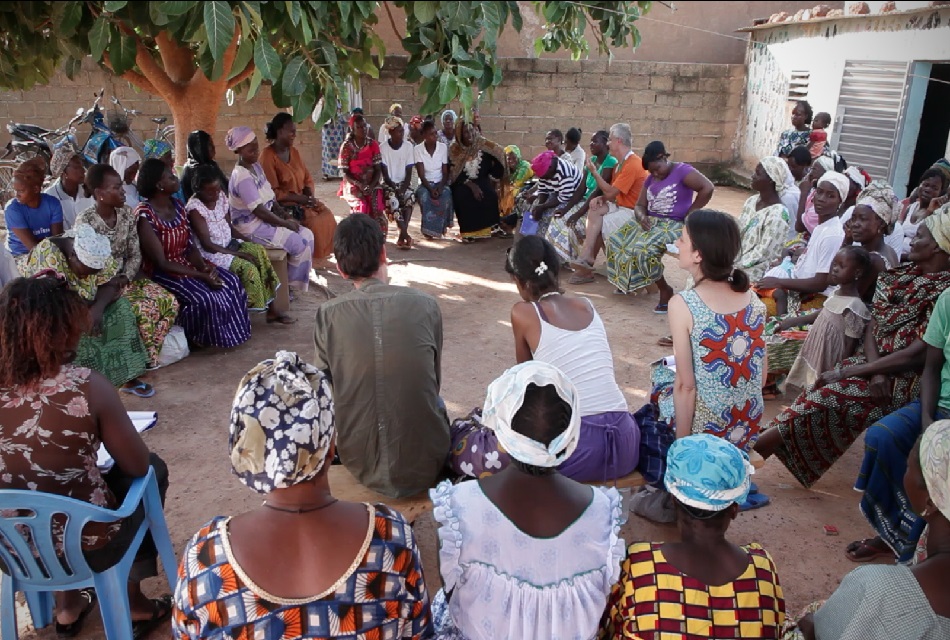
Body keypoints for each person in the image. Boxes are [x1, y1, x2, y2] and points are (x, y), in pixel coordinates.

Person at [172, 351, 433, 639]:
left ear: (248, 452)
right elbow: (418, 632)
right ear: (330, 446)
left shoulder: (205, 556)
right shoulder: (392, 536)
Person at [0, 275, 172, 638]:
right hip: (86, 544)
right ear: (60, 329)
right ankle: (135, 603)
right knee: (149, 474)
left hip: (11, 547)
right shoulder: (86, 385)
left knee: (41, 494)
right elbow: (138, 465)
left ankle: (67, 606)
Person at [754, 211, 950, 488]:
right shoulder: (901, 276)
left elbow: (918, 354)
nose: (911, 242)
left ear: (937, 246)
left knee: (831, 394)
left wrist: (865, 370)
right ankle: (755, 449)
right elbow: (873, 325)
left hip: (906, 377)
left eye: (919, 237)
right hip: (874, 367)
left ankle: (751, 453)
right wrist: (872, 371)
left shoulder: (944, 292)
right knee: (821, 393)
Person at [432, 361, 625, 640]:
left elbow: (453, 596)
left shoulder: (457, 507)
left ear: (499, 429)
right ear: (570, 433)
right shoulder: (603, 511)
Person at [449, 236, 640, 481]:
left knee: (481, 441)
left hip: (576, 449)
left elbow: (527, 381)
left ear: (520, 281)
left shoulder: (523, 312)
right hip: (625, 442)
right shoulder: (586, 305)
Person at [313, 215, 449, 498]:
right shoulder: (426, 305)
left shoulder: (328, 315)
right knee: (436, 402)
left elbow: (325, 392)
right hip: (425, 460)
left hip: (357, 460)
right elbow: (432, 382)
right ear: (384, 254)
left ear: (340, 269)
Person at [599, 435, 786, 640]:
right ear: (734, 508)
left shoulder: (639, 564)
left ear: (673, 499)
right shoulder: (763, 567)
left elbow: (609, 627)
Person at [792, 423, 950, 640]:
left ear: (930, 501)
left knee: (806, 617)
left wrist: (813, 630)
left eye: (908, 467)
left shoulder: (875, 587)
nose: (905, 474)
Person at [848, 280, 950, 564]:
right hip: (940, 405)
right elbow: (932, 368)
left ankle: (922, 546)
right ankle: (893, 532)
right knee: (882, 436)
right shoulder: (948, 299)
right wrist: (928, 419)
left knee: (938, 463)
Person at [668, 210, 766, 450]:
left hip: (707, 433)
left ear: (698, 254)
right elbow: (761, 377)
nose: (677, 244)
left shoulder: (683, 304)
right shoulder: (753, 300)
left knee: (661, 380)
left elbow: (686, 386)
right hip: (746, 427)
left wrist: (682, 448)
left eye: (682, 239)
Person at [136, 157, 251, 350]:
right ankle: (196, 337)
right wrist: (201, 275)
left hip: (187, 264)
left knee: (230, 282)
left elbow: (190, 247)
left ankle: (230, 336)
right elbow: (161, 263)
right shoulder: (145, 215)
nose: (175, 178)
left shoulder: (178, 206)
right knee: (205, 298)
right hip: (164, 273)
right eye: (169, 176)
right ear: (159, 185)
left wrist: (205, 267)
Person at [23, 224, 153, 395]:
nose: (88, 277)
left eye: (94, 273)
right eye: (86, 273)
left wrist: (97, 309)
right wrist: (83, 311)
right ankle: (81, 387)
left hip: (90, 302)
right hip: (57, 308)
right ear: (72, 256)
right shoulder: (46, 255)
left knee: (122, 308)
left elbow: (110, 283)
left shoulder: (96, 248)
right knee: (72, 327)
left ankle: (126, 378)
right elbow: (49, 300)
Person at [76, 164, 180, 370]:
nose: (123, 191)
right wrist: (111, 280)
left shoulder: (125, 214)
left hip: (126, 278)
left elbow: (135, 252)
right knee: (143, 309)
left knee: (169, 301)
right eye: (116, 188)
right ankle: (139, 358)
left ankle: (149, 356)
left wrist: (126, 276)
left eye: (121, 186)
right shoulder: (85, 221)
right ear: (99, 193)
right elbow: (86, 263)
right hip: (101, 285)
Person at [604, 141, 715, 311]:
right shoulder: (650, 179)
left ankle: (665, 289)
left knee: (643, 251)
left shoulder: (682, 171)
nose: (655, 174)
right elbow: (640, 205)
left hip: (673, 224)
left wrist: (691, 214)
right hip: (650, 222)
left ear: (663, 158)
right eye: (651, 171)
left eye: (657, 169)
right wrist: (641, 217)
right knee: (615, 241)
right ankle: (630, 282)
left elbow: (707, 187)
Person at [185, 166, 286, 322]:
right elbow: (207, 245)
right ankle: (247, 313)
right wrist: (239, 254)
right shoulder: (195, 209)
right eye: (210, 192)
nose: (215, 195)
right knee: (247, 268)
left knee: (258, 252)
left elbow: (229, 227)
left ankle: (272, 309)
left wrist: (247, 242)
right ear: (198, 190)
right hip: (213, 254)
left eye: (217, 190)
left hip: (229, 244)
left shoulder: (221, 198)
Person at [226, 126, 315, 293]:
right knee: (299, 244)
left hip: (266, 221)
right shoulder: (242, 175)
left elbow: (271, 199)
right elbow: (259, 211)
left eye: (255, 145)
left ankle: (290, 282)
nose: (255, 150)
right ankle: (287, 288)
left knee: (308, 236)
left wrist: (286, 218)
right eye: (249, 147)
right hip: (251, 228)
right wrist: (284, 223)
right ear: (238, 150)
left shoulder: (256, 167)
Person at [778, 246, 872, 393]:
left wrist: (839, 370)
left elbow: (850, 343)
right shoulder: (835, 292)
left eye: (841, 266)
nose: (834, 269)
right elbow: (824, 312)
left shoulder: (854, 306)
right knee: (806, 384)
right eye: (834, 264)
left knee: (818, 385)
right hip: (815, 347)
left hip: (829, 354)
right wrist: (794, 321)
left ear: (857, 273)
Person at [756, 171, 848, 316]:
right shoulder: (822, 227)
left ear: (839, 202)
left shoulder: (832, 234)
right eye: (819, 192)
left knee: (756, 310)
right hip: (798, 290)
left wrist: (778, 282)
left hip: (815, 299)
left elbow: (820, 283)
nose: (822, 199)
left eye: (830, 196)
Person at [569, 124, 651, 284]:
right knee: (595, 207)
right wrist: (602, 199)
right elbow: (612, 194)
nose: (608, 144)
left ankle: (587, 264)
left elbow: (611, 192)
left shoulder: (633, 164)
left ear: (619, 141)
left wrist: (594, 172)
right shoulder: (621, 163)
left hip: (633, 212)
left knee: (599, 224)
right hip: (622, 205)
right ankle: (587, 255)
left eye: (610, 140)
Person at [260, 112, 338, 263]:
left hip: (302, 201)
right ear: (279, 131)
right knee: (314, 223)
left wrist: (308, 194)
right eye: (291, 131)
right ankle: (311, 260)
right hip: (284, 205)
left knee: (327, 215)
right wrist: (299, 198)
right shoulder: (267, 156)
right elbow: (272, 193)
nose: (294, 134)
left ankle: (320, 257)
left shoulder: (294, 152)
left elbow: (307, 178)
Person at [548, 130, 619, 263]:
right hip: (584, 202)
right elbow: (581, 189)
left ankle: (568, 260)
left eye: (595, 141)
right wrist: (566, 209)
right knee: (557, 219)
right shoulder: (591, 160)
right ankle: (553, 257)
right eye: (591, 141)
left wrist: (578, 214)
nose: (591, 144)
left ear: (605, 143)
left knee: (571, 227)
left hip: (596, 205)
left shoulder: (610, 162)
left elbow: (597, 191)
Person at [448, 119, 508, 242]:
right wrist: (471, 185)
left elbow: (499, 153)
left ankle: (492, 228)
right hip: (461, 181)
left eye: (472, 131)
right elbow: (453, 173)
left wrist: (495, 176)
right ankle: (468, 233)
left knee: (490, 194)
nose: (470, 135)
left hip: (481, 179)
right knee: (463, 196)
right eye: (465, 132)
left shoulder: (482, 144)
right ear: (459, 134)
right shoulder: (454, 149)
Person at [736, 159, 793, 282]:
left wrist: (736, 266)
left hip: (756, 270)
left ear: (771, 179)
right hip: (737, 260)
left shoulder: (778, 213)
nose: (753, 176)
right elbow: (738, 232)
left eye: (758, 173)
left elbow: (764, 253)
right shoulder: (751, 201)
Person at [4, 156, 64, 273]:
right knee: (51, 266)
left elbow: (57, 240)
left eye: (21, 191)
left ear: (36, 189)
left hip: (49, 253)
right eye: (15, 190)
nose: (17, 195)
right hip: (20, 256)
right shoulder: (12, 209)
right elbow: (32, 247)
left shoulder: (53, 204)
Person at [338, 113, 387, 233]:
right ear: (353, 130)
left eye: (364, 126)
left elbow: (378, 169)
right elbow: (345, 172)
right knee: (361, 206)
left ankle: (377, 237)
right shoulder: (346, 147)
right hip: (353, 183)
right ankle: (360, 236)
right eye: (359, 127)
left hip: (372, 183)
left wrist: (371, 185)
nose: (363, 129)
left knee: (376, 208)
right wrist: (359, 185)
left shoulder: (373, 144)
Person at [520, 150, 582, 239]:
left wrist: (543, 207)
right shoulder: (546, 171)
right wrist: (539, 205)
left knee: (550, 215)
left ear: (550, 167)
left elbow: (564, 198)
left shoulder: (564, 173)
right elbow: (543, 190)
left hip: (571, 198)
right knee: (532, 208)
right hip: (556, 193)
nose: (544, 179)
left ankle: (545, 242)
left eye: (545, 177)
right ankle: (528, 239)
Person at [379, 115, 416, 249]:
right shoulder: (383, 148)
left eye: (402, 131)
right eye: (399, 131)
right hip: (389, 184)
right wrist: (395, 189)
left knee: (410, 197)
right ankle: (405, 234)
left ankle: (402, 234)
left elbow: (409, 174)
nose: (402, 133)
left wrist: (402, 189)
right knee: (393, 200)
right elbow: (385, 175)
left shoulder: (408, 147)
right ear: (390, 132)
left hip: (403, 184)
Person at [848, 181, 900, 271]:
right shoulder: (890, 251)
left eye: (862, 219)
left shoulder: (873, 260)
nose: (855, 224)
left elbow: (834, 280)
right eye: (853, 218)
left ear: (881, 223)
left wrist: (846, 243)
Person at [414, 120, 453, 240]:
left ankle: (441, 227)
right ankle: (428, 229)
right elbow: (421, 174)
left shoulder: (442, 148)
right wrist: (431, 189)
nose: (435, 136)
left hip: (440, 182)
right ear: (424, 136)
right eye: (431, 134)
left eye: (435, 133)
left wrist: (440, 187)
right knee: (425, 197)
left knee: (446, 195)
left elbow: (445, 172)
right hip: (426, 184)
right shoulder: (418, 149)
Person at [899, 169, 948, 258]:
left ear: (940, 193)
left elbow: (926, 250)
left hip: (911, 262)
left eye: (935, 188)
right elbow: (898, 232)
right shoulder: (911, 207)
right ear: (919, 185)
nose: (928, 190)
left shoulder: (937, 216)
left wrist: (930, 211)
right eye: (925, 185)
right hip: (897, 256)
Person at [44, 148, 92, 230]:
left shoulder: (89, 192)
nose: (83, 170)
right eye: (77, 167)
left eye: (82, 166)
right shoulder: (50, 196)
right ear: (64, 172)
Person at [179, 130, 229, 202]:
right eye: (209, 144)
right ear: (198, 148)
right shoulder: (196, 170)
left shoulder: (210, 164)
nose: (213, 147)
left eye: (212, 143)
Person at [795, 155, 835, 235]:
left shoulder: (822, 200)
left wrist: (804, 192)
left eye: (814, 169)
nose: (810, 173)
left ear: (825, 173)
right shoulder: (814, 191)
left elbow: (799, 226)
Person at [499, 144, 534, 217]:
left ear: (518, 157)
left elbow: (518, 184)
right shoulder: (507, 169)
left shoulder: (524, 167)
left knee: (510, 193)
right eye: (508, 159)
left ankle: (506, 215)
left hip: (525, 188)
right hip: (514, 189)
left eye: (514, 158)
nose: (511, 161)